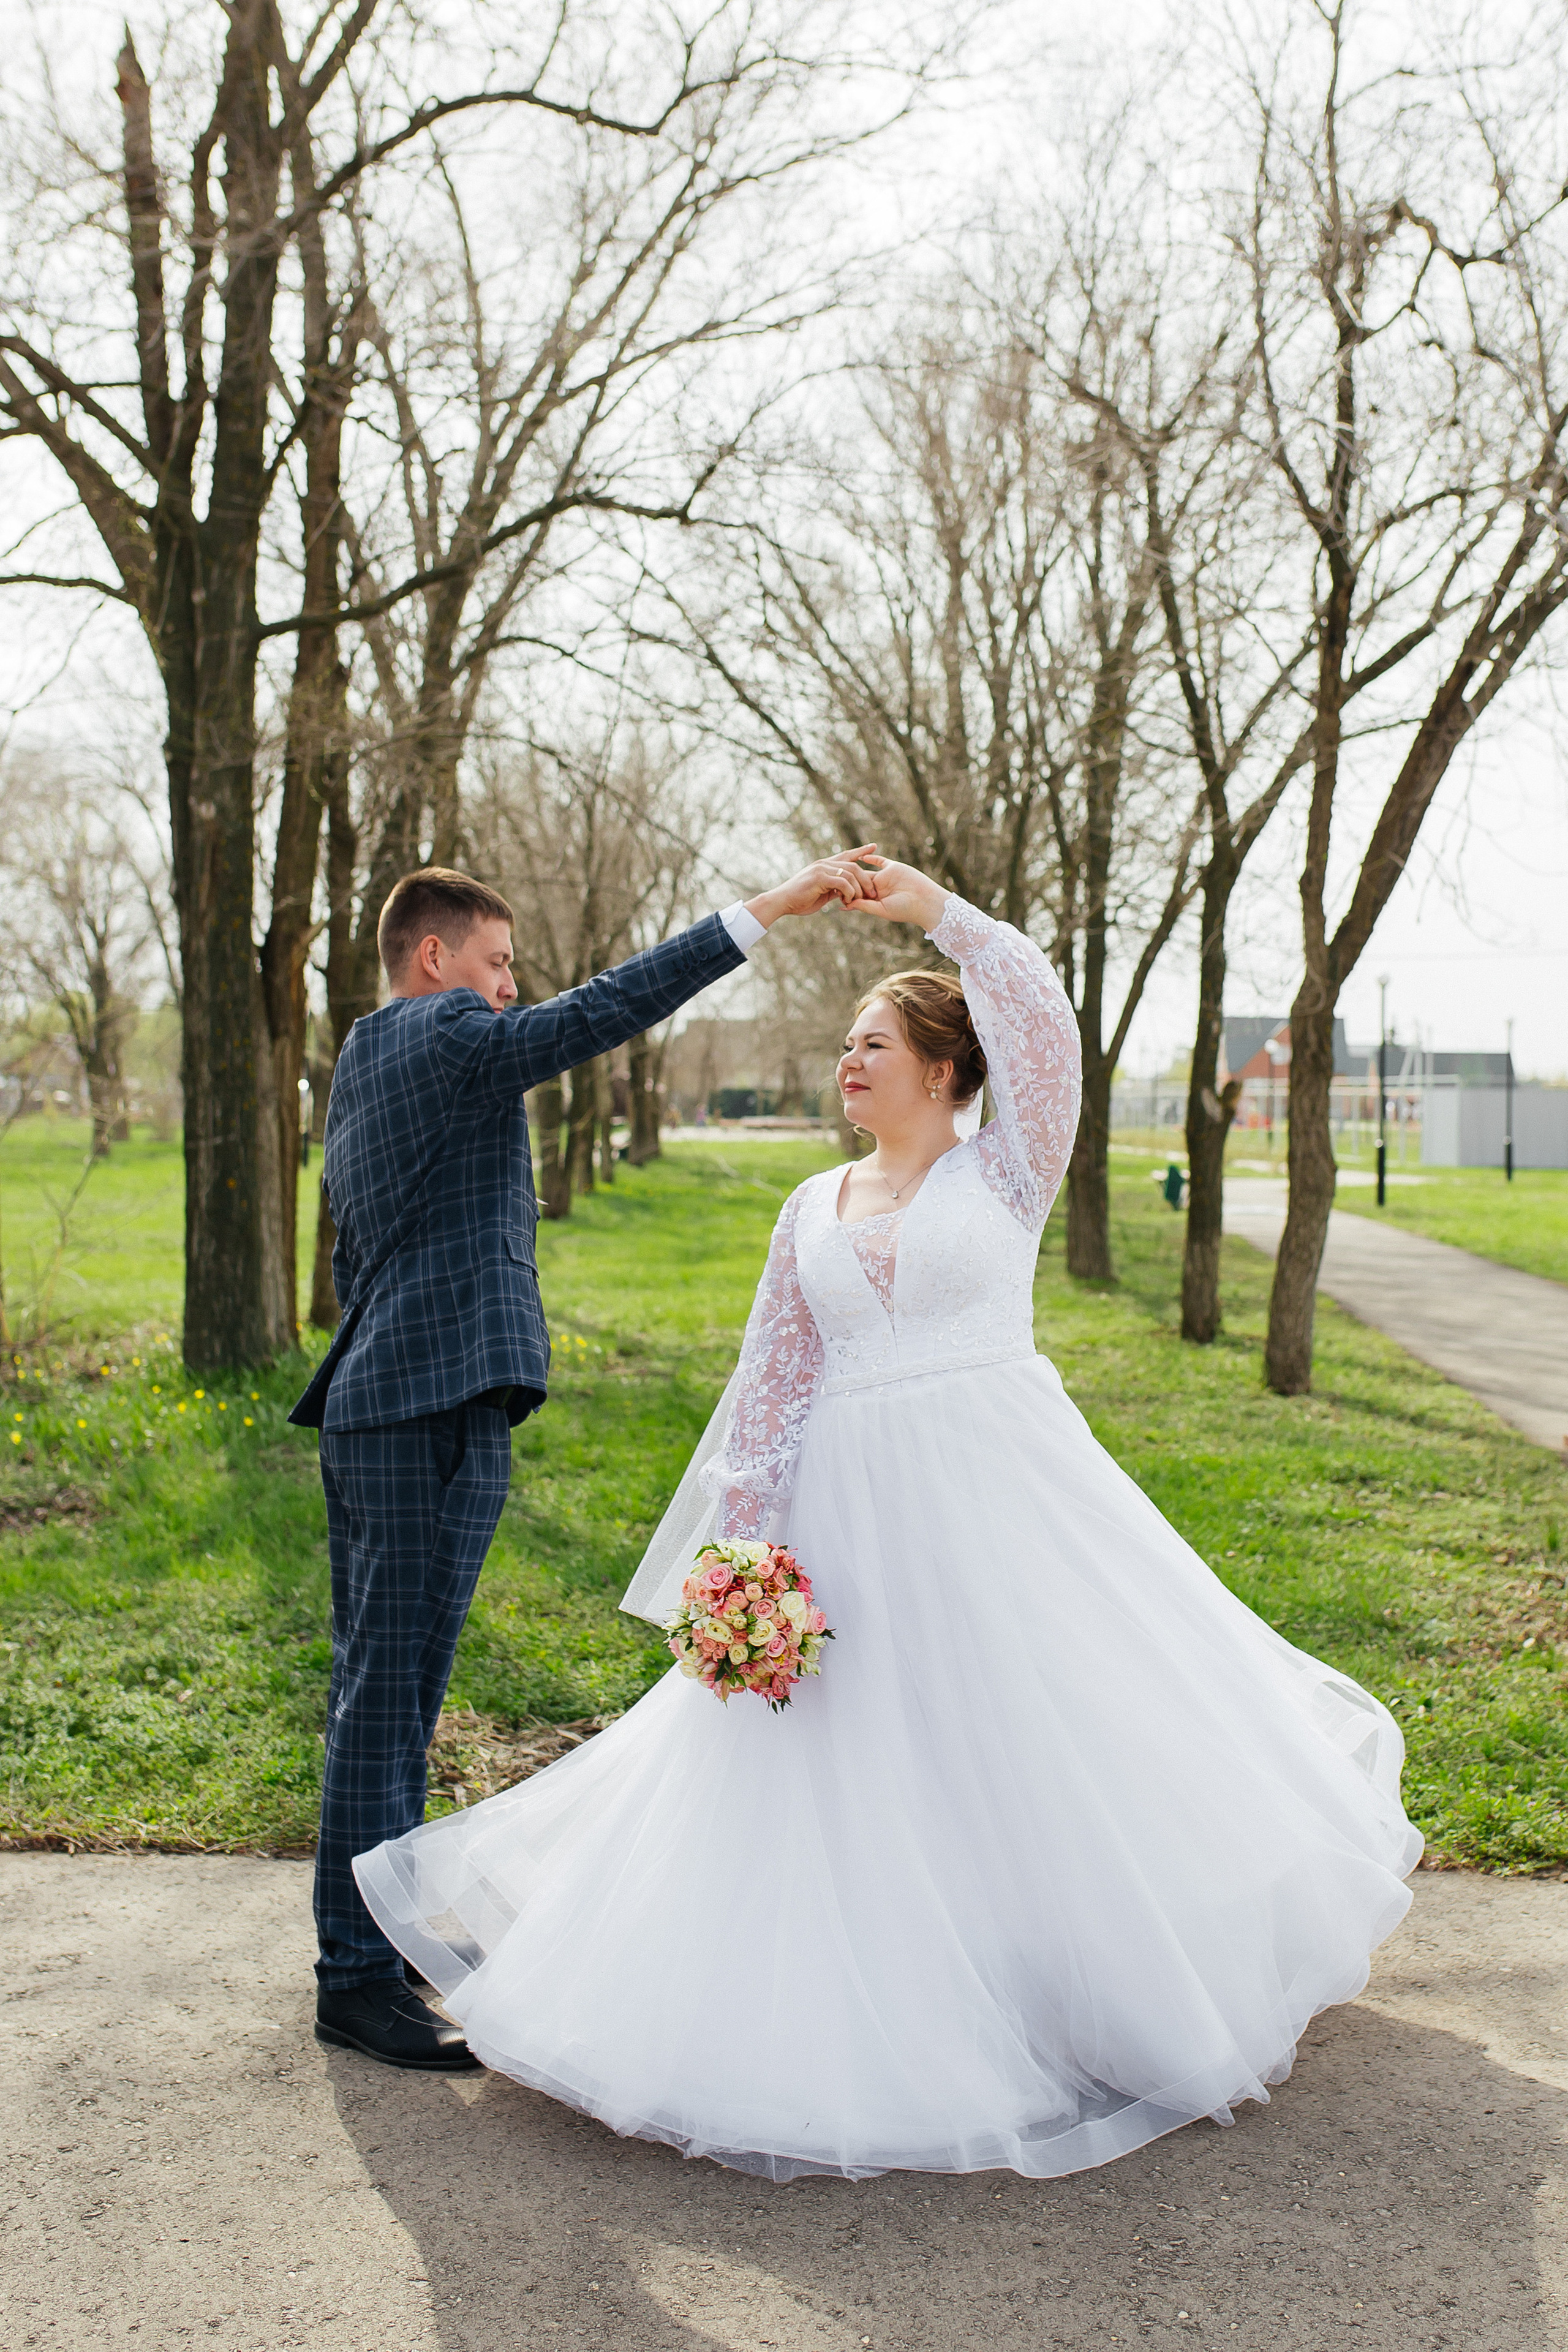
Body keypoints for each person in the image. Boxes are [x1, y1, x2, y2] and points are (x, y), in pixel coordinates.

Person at [352, 856, 1421, 2177]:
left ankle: (1071, 1982)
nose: (848, 1062)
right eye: (845, 1045)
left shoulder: (1008, 1170)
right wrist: (737, 1554)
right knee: (852, 1764)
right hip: (843, 1516)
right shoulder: (810, 1206)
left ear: (942, 1069)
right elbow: (768, 1388)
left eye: (873, 1044)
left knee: (1021, 1734)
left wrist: (933, 912)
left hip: (998, 1494)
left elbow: (1032, 1008)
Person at [292, 853, 878, 2071]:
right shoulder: (444, 1031)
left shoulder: (366, 1055)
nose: (509, 990)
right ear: (434, 959)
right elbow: (596, 1014)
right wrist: (764, 911)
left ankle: (376, 1936)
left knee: (388, 1695)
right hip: (423, 1402)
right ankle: (353, 1976)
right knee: (386, 1699)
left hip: (391, 1395)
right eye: (496, 964)